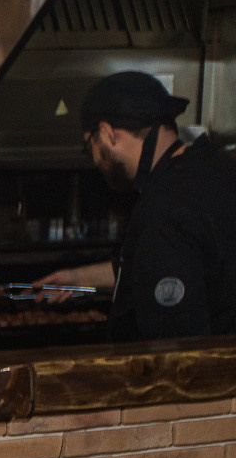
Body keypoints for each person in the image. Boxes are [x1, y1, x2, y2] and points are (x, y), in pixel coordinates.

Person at [35, 70, 236, 341]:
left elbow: (175, 346)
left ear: (107, 134)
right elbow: (167, 264)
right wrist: (77, 277)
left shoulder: (165, 208)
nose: (94, 159)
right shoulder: (217, 168)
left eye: (90, 146)